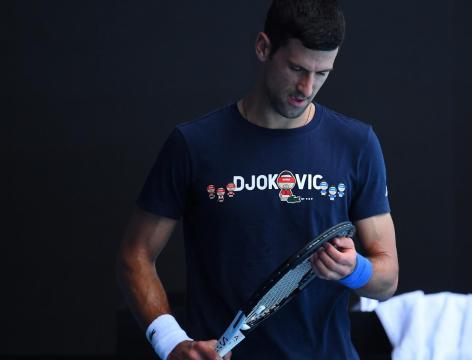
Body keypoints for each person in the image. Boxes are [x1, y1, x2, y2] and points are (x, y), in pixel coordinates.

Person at [116, 0, 398, 359]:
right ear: (263, 48)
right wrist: (171, 342)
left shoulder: (357, 144)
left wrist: (354, 268)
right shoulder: (193, 145)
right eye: (296, 68)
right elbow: (134, 255)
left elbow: (387, 280)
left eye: (322, 73)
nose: (307, 86)